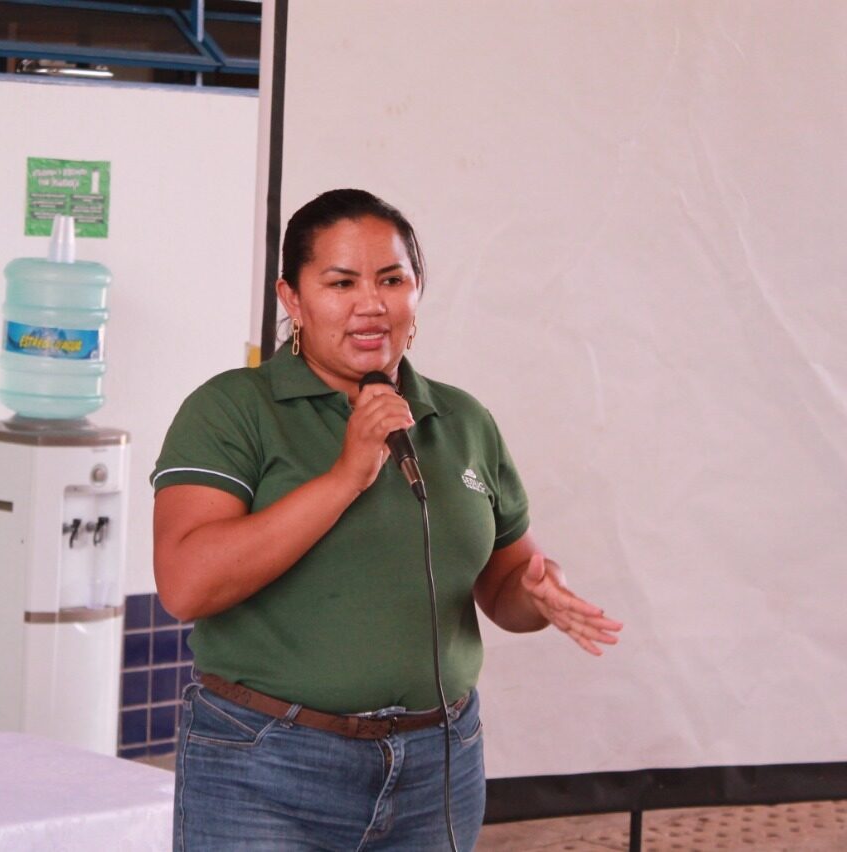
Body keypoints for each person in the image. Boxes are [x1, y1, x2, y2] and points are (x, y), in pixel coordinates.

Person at [151, 189, 622, 851]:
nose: (370, 304)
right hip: (266, 764)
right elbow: (186, 585)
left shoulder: (462, 420)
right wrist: (346, 476)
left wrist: (540, 594)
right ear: (293, 299)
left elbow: (506, 582)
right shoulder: (232, 408)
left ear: (417, 291)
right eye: (341, 283)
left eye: (392, 280)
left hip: (438, 767)